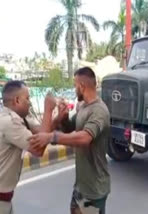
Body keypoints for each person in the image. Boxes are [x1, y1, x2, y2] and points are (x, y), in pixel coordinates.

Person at [29, 67, 111, 214]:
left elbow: (85, 138)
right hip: (80, 185)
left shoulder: (99, 111)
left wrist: (51, 137)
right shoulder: (84, 107)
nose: (74, 89)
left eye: (75, 85)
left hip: (94, 189)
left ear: (82, 86)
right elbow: (69, 129)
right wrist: (63, 117)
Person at [0, 80, 56, 214]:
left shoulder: (18, 119)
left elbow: (41, 131)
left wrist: (57, 118)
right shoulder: (9, 122)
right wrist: (47, 110)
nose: (30, 102)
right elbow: (38, 149)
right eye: (27, 98)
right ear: (17, 100)